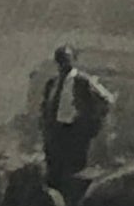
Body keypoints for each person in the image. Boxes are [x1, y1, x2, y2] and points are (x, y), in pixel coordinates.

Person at [40, 45, 115, 190]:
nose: (64, 63)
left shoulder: (83, 81)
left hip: (74, 131)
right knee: (53, 169)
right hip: (55, 131)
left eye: (67, 59)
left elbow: (106, 99)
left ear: (74, 60)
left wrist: (91, 123)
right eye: (61, 60)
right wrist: (45, 125)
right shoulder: (52, 83)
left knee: (73, 169)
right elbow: (46, 105)